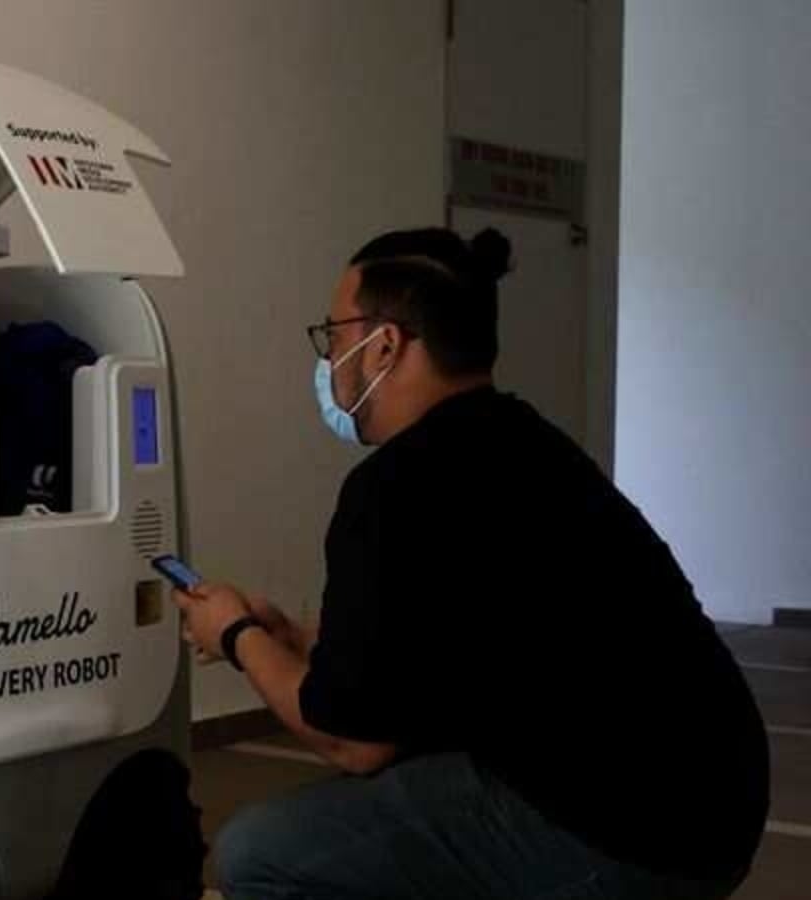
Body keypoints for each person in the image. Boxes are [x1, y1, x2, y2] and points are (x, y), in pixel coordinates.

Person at [175, 227, 768, 900]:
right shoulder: (531, 446)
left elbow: (353, 740)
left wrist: (234, 635)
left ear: (385, 346)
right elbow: (452, 652)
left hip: (624, 835)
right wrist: (297, 640)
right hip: (717, 802)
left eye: (334, 335)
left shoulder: (394, 489)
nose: (329, 357)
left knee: (259, 854)